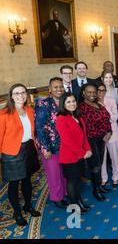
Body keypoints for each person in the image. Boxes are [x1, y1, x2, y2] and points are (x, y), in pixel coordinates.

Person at [0, 84, 41, 226]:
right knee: (14, 183)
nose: (20, 95)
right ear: (11, 96)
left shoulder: (30, 110)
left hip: (29, 148)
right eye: (17, 93)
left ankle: (28, 206)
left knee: (27, 180)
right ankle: (17, 212)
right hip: (12, 153)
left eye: (23, 92)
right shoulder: (4, 114)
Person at [56, 93, 92, 214]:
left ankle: (79, 201)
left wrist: (88, 149)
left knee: (78, 181)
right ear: (63, 104)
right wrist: (82, 153)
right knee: (72, 182)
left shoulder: (78, 116)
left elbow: (84, 136)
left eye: (73, 101)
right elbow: (67, 141)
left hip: (80, 155)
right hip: (69, 157)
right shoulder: (61, 119)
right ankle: (75, 206)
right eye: (68, 102)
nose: (72, 104)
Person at [34, 77, 68, 208]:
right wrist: (45, 148)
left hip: (65, 145)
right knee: (54, 173)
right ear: (49, 89)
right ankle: (56, 197)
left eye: (61, 87)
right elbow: (39, 127)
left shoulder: (64, 102)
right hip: (50, 145)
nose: (59, 89)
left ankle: (64, 193)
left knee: (64, 171)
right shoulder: (43, 104)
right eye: (56, 87)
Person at [79, 83, 112, 201]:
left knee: (100, 163)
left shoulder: (99, 104)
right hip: (90, 139)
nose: (92, 94)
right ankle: (96, 190)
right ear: (84, 93)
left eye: (94, 92)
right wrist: (103, 133)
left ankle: (98, 186)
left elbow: (107, 118)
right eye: (89, 92)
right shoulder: (81, 107)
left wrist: (109, 132)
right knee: (95, 166)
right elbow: (87, 125)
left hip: (102, 139)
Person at [97, 83, 118, 188]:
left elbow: (114, 118)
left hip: (113, 132)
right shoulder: (93, 103)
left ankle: (115, 177)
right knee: (102, 158)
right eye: (99, 90)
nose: (101, 92)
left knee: (114, 157)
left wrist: (105, 108)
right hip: (99, 135)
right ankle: (104, 178)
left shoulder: (111, 101)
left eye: (103, 90)